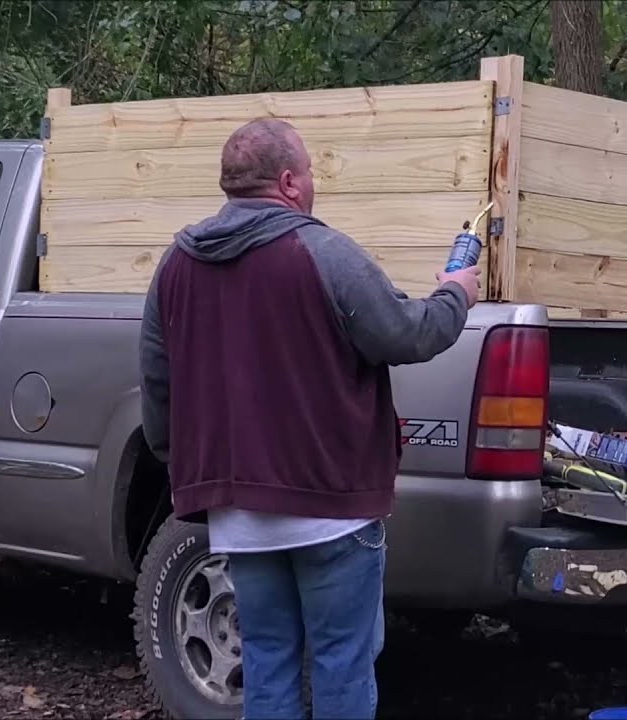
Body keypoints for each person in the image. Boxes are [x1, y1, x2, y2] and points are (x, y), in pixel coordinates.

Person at [138, 118, 480, 720]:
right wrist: (457, 291)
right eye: (311, 173)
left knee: (267, 664)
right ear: (290, 181)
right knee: (341, 668)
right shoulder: (320, 251)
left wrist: (195, 476)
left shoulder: (175, 266)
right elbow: (408, 333)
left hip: (238, 515)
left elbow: (158, 390)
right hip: (332, 511)